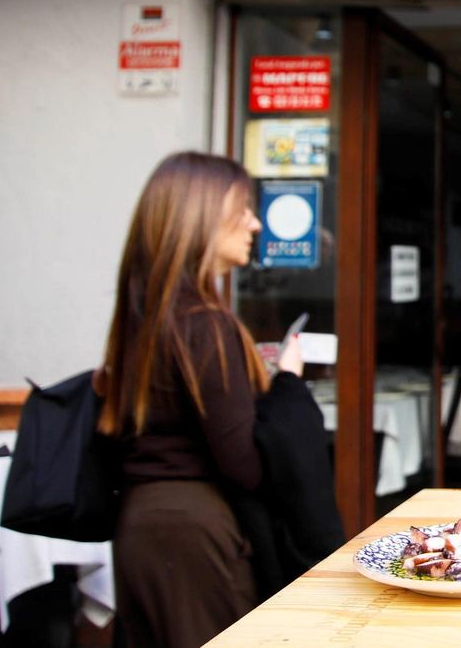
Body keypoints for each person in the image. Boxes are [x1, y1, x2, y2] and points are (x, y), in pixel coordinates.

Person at [95, 152, 305, 648]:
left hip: (141, 527)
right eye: (243, 209)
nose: (255, 223)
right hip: (194, 536)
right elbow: (244, 466)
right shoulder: (208, 326)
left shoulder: (145, 322)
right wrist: (288, 390)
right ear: (201, 217)